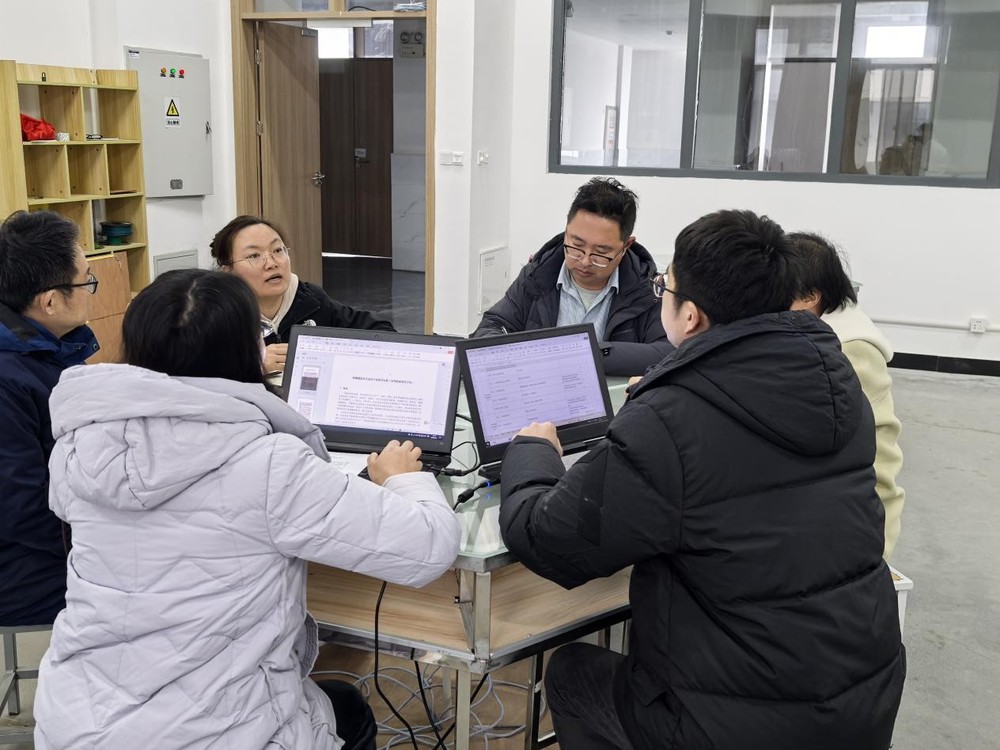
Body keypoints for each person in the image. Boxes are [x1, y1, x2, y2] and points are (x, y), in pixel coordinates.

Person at [498, 210, 906, 749]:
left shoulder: (672, 420)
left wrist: (533, 452)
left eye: (664, 287)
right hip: (862, 705)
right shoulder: (838, 383)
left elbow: (547, 539)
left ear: (689, 316)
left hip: (737, 728)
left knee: (573, 671)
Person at [33, 269, 461, 750]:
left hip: (76, 720)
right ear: (245, 351)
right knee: (348, 709)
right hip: (217, 732)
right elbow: (430, 547)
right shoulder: (267, 464)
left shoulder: (83, 444)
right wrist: (403, 478)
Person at [0, 210, 98, 626]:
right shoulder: (9, 378)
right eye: (86, 281)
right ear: (51, 301)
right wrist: (106, 540)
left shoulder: (44, 348)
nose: (92, 290)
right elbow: (21, 507)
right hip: (24, 571)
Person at [471, 178, 671, 376]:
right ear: (566, 230)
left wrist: (585, 354)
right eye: (576, 245)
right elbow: (491, 327)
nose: (585, 261)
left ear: (626, 245)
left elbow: (669, 353)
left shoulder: (648, 290)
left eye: (601, 252)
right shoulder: (537, 276)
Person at [789, 231, 905, 559]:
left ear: (811, 296)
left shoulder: (851, 348)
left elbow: (880, 462)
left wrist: (876, 556)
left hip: (853, 536)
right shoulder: (814, 333)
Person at [211, 215, 394, 377]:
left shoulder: (310, 299)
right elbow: (201, 378)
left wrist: (325, 354)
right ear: (228, 270)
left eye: (278, 250)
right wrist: (254, 366)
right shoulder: (215, 315)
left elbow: (382, 334)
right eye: (254, 256)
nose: (272, 263)